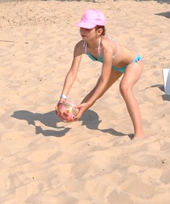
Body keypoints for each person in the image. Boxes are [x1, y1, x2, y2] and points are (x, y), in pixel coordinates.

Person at [59, 9, 145, 139]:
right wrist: (63, 96)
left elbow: (104, 80)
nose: (83, 31)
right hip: (115, 67)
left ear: (99, 31)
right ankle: (77, 113)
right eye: (82, 27)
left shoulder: (106, 48)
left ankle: (139, 132)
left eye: (87, 29)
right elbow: (72, 73)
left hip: (133, 63)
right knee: (95, 91)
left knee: (125, 88)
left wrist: (89, 103)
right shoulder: (80, 46)